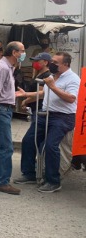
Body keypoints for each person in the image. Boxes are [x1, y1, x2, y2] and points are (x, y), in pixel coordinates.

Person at [14, 52, 79, 193]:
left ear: (65, 64)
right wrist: (27, 95)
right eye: (52, 61)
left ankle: (53, 181)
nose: (52, 64)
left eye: (56, 62)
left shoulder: (73, 79)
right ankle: (29, 173)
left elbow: (71, 98)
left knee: (50, 145)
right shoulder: (53, 76)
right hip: (46, 114)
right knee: (28, 140)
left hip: (63, 117)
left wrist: (53, 86)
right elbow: (44, 93)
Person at [0, 41, 26, 195]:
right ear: (14, 53)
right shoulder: (2, 67)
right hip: (0, 109)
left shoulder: (8, 67)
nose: (23, 53)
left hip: (3, 108)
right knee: (6, 147)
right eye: (22, 51)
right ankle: (1, 181)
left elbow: (1, 90)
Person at [22, 52, 52, 117]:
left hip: (39, 108)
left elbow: (39, 94)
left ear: (45, 62)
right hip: (33, 107)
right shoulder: (38, 74)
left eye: (37, 61)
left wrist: (25, 101)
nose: (35, 63)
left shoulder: (46, 75)